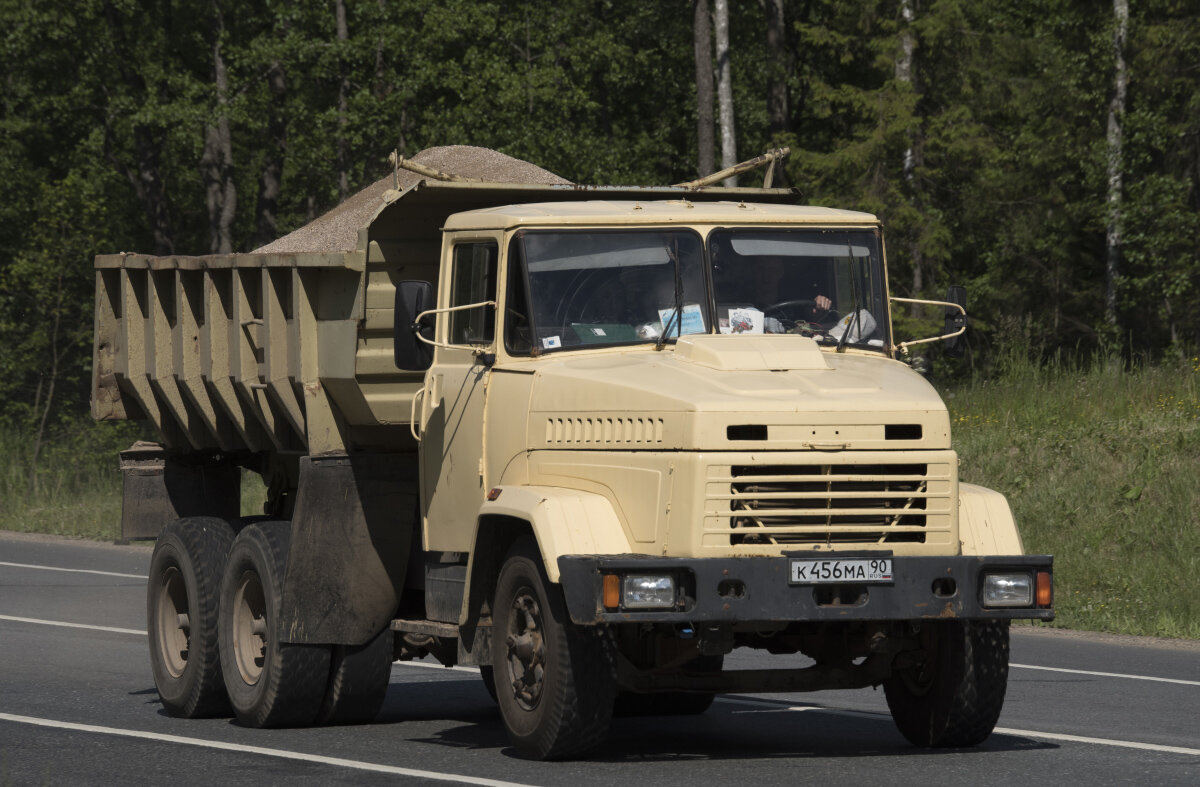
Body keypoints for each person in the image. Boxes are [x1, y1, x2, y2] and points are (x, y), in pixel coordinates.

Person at [751, 257, 833, 333]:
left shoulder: (795, 302)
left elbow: (811, 322)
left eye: (772, 269)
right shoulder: (745, 303)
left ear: (781, 272)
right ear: (754, 271)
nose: (766, 275)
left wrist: (819, 308)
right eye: (761, 269)